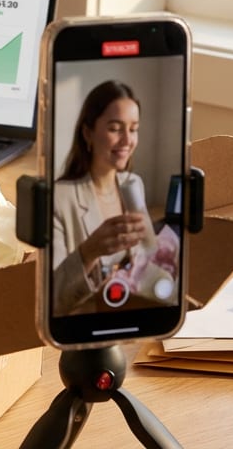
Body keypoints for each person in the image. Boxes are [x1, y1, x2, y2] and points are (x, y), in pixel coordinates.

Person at [49, 79, 153, 315]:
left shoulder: (134, 185)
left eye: (133, 129)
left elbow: (147, 258)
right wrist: (88, 253)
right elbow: (51, 298)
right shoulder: (58, 198)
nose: (127, 141)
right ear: (88, 133)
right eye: (115, 129)